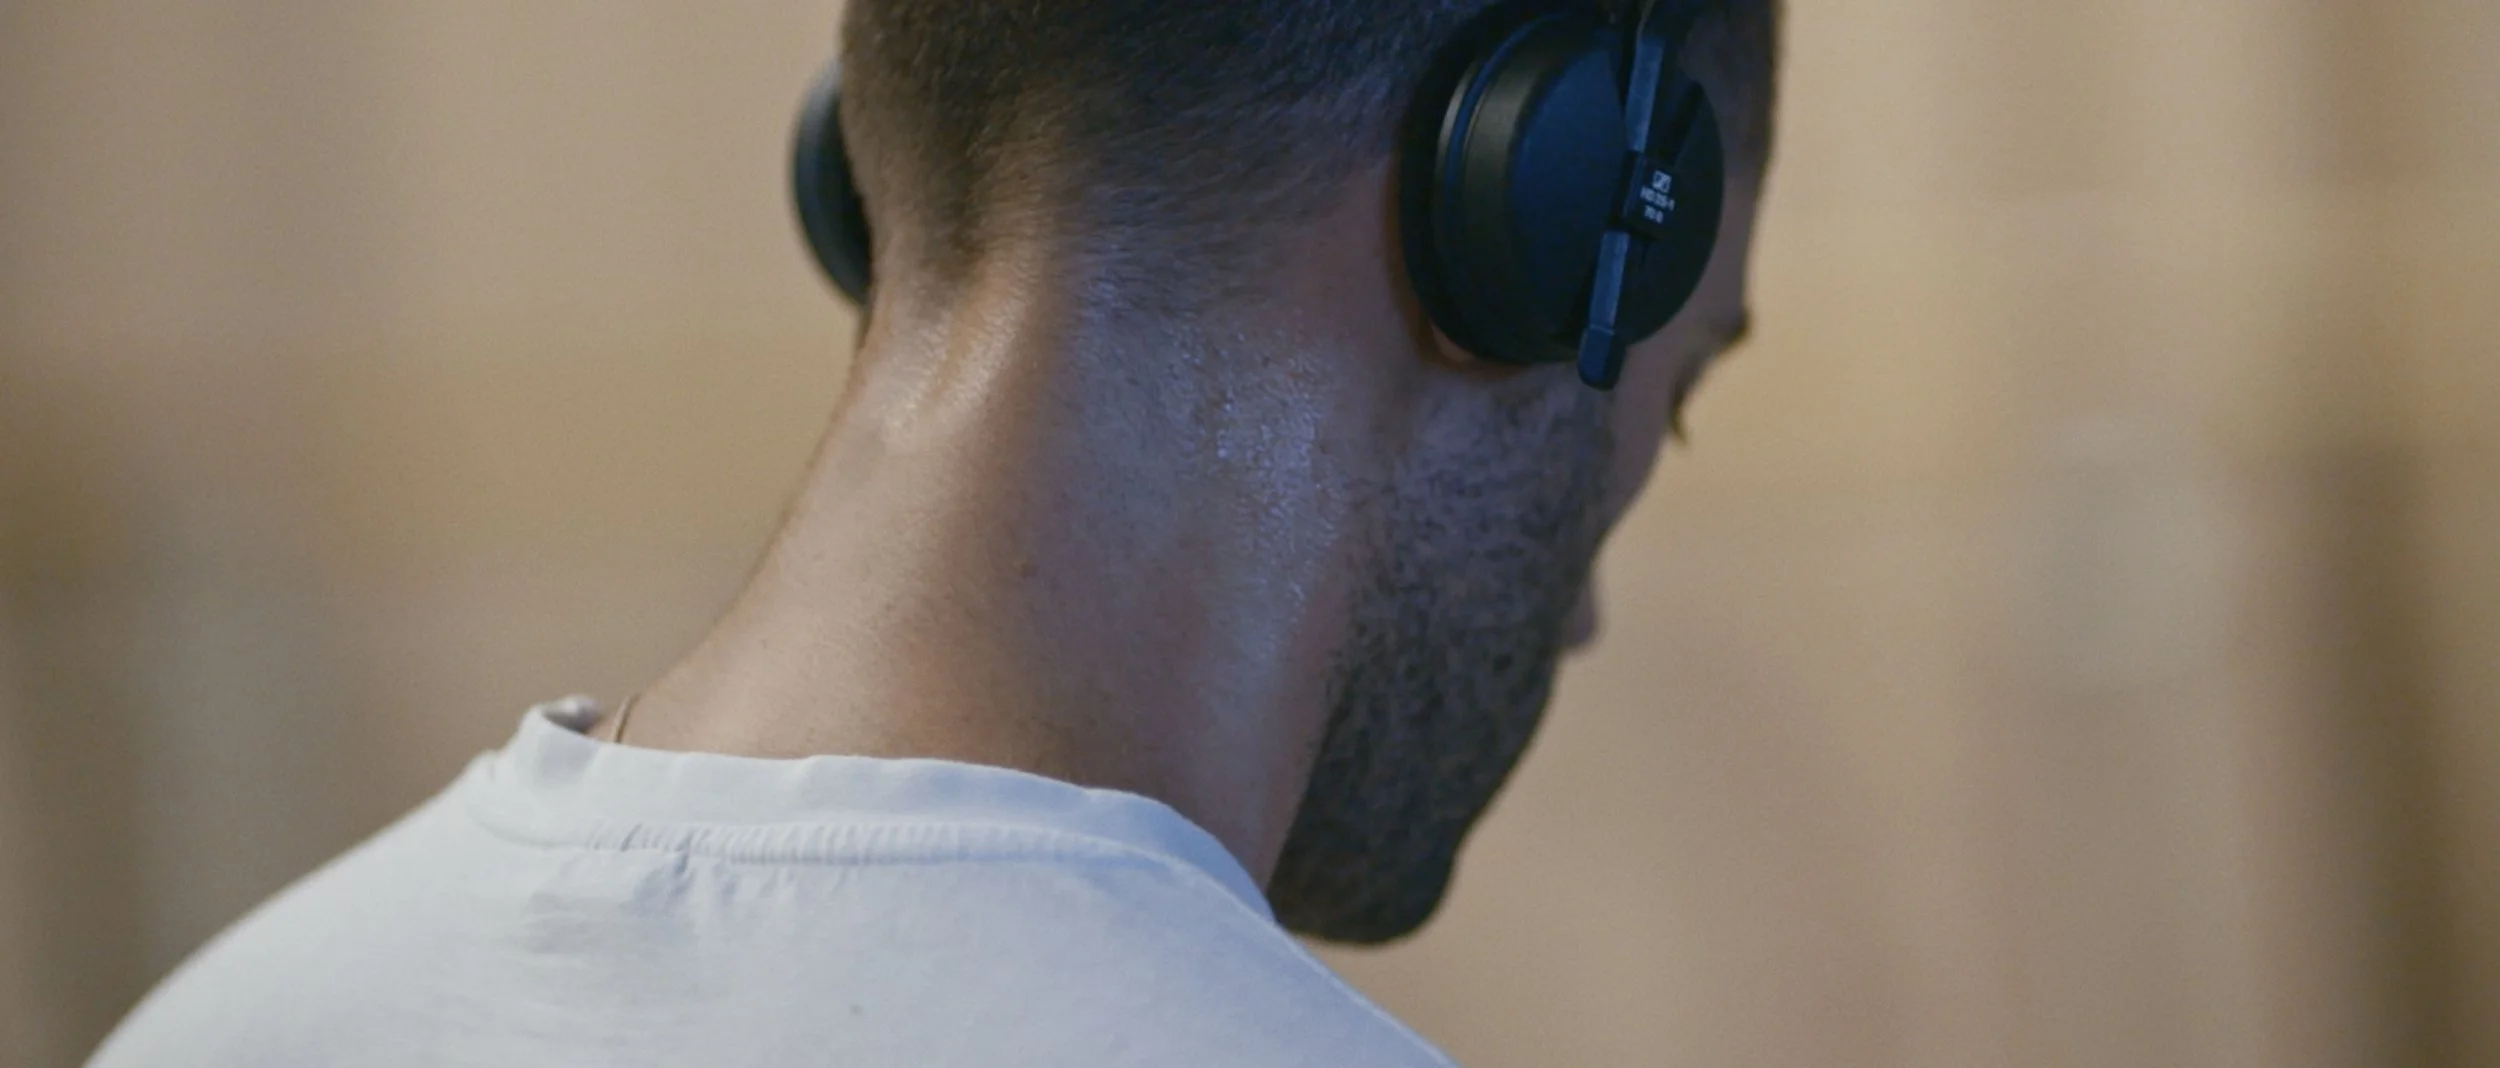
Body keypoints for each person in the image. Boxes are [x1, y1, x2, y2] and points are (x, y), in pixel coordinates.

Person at [90, 0, 1779, 1063]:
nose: (1583, 611)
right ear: (1545, 212)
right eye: (1677, 384)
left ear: (863, 163)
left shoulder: (215, 1029)